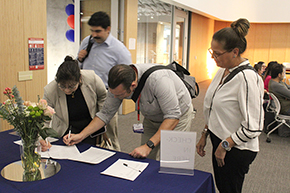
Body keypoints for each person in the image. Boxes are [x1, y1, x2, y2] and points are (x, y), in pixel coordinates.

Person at [63, 64, 195, 160]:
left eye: (119, 95)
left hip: (178, 117)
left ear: (133, 85)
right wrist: (81, 135)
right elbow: (105, 114)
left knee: (174, 161)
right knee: (146, 159)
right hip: (152, 117)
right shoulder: (118, 83)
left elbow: (172, 117)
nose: (114, 98)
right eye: (112, 93)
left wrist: (149, 145)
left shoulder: (159, 81)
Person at [196, 18, 264, 193]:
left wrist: (224, 146)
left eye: (217, 54)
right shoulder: (222, 71)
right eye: (212, 52)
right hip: (219, 139)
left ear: (235, 52)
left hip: (236, 148)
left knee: (230, 189)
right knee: (222, 186)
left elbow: (253, 127)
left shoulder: (248, 78)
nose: (213, 57)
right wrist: (205, 133)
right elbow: (213, 107)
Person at [77, 11, 132, 151]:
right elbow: (77, 69)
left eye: (98, 31)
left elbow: (128, 76)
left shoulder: (120, 50)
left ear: (108, 29)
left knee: (110, 136)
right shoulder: (87, 42)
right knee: (88, 132)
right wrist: (79, 59)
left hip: (107, 96)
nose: (94, 35)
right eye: (92, 31)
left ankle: (115, 161)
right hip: (85, 94)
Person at [40, 56, 107, 151]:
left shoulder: (92, 79)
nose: (67, 90)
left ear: (79, 79)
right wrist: (42, 137)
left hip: (90, 125)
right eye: (62, 86)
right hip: (65, 129)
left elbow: (104, 96)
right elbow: (44, 117)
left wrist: (101, 118)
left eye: (71, 86)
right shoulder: (50, 90)